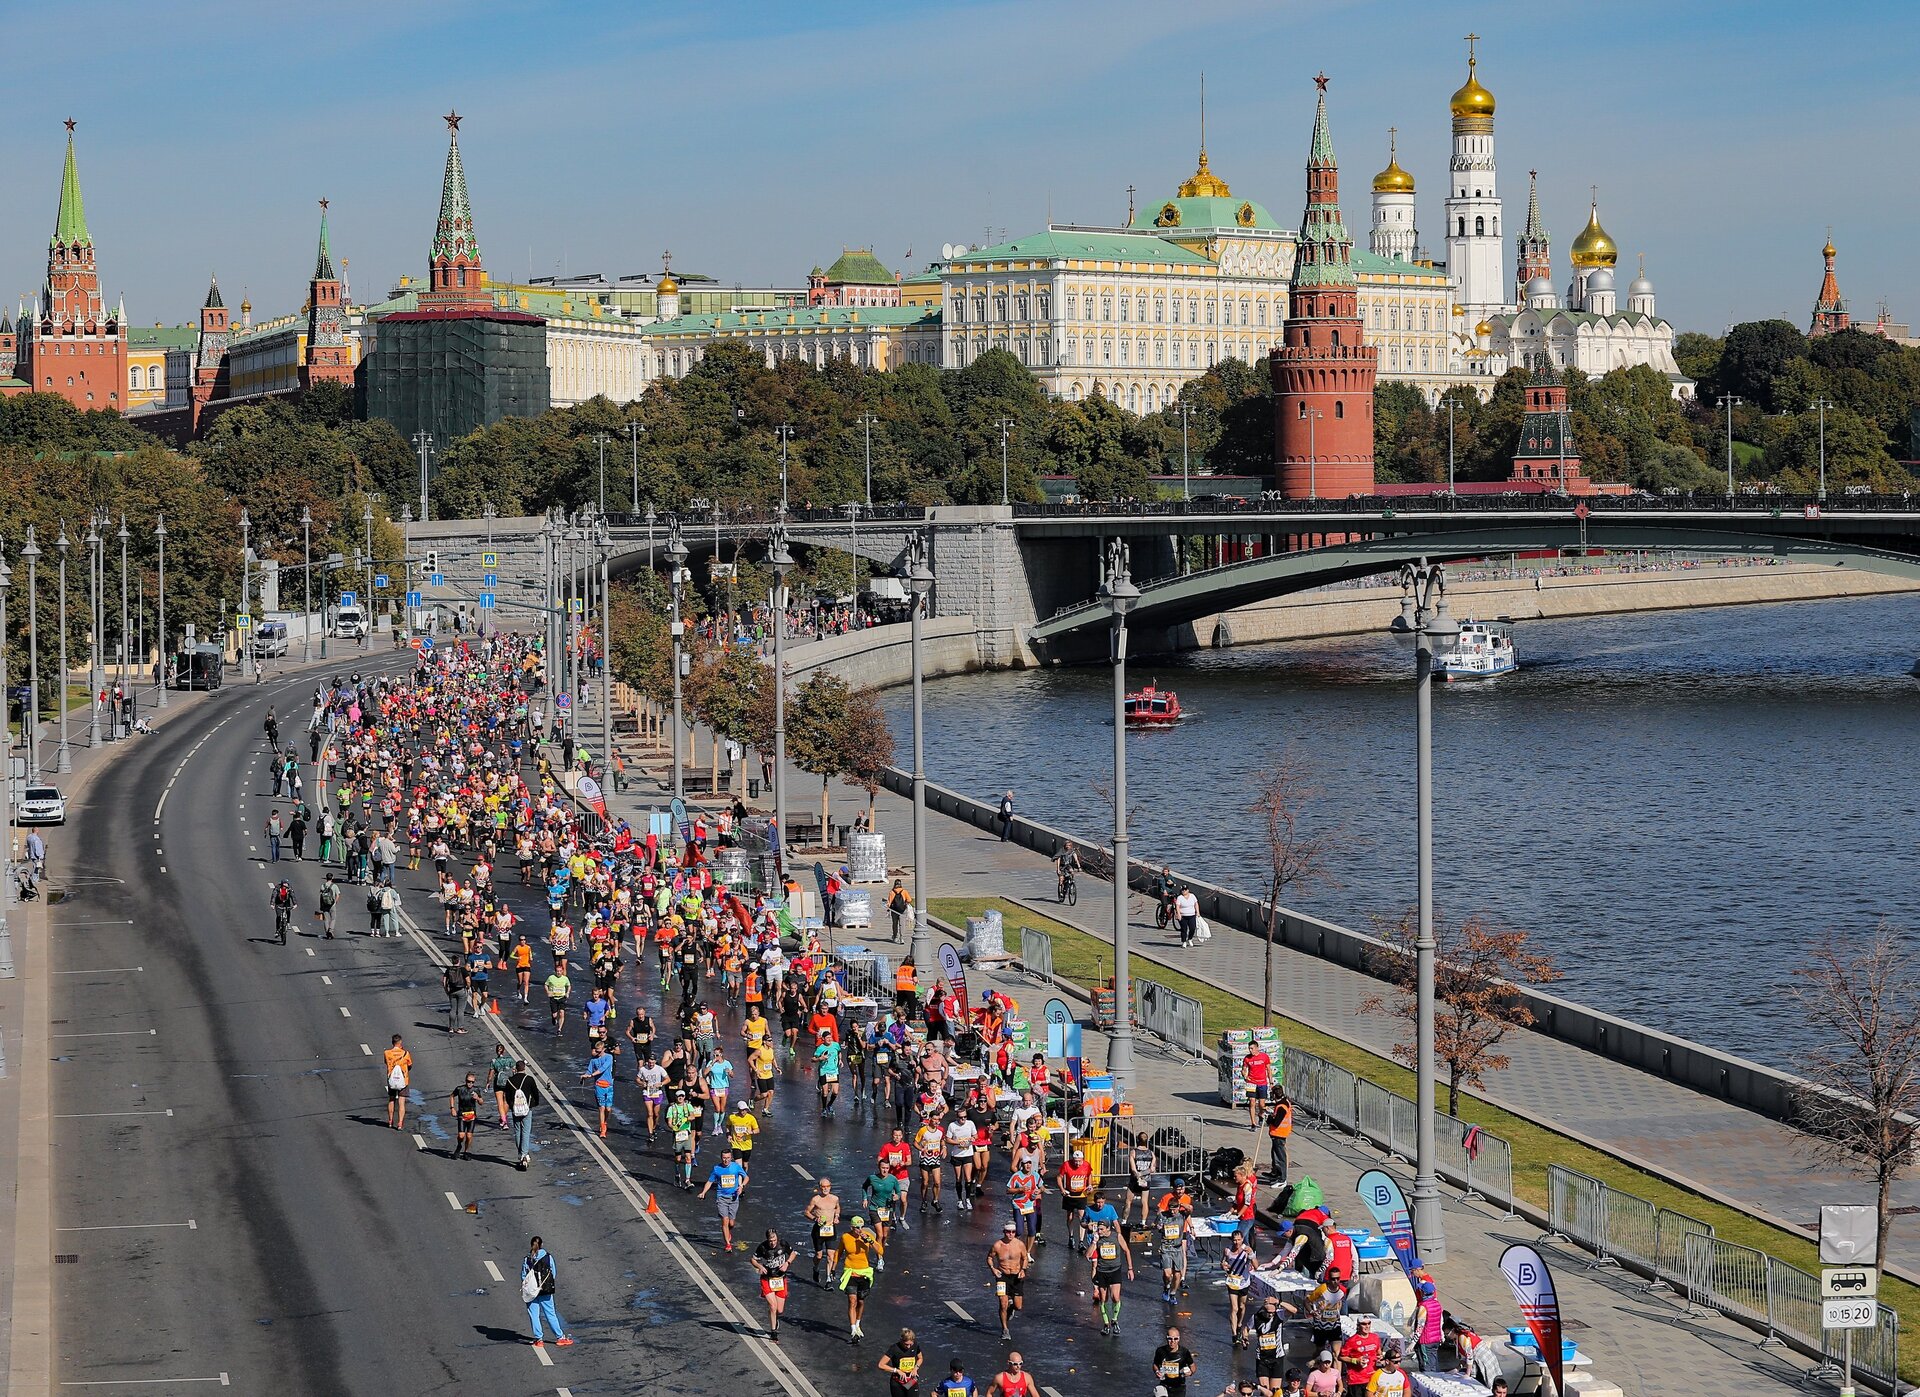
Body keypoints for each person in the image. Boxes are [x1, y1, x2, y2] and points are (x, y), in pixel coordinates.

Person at [520, 1236, 573, 1348]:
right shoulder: (548, 1257)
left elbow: (524, 1276)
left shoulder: (527, 1259)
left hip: (531, 1292)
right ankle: (560, 1337)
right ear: (542, 1245)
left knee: (534, 1315)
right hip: (545, 1290)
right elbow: (553, 1273)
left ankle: (538, 1339)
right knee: (550, 1314)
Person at [1084, 1219, 1133, 1336]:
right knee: (1103, 1299)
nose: (1099, 1231)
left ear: (1108, 1229)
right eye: (1098, 1229)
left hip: (1115, 1270)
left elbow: (1126, 1250)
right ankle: (1106, 1324)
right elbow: (1088, 1255)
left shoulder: (1117, 1236)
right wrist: (1094, 1242)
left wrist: (1130, 1269)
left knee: (1115, 1297)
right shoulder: (1097, 1239)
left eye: (1101, 1229)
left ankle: (1114, 1320)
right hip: (1102, 1271)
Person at [698, 1147, 751, 1251]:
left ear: (731, 1158)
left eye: (727, 1158)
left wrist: (741, 1186)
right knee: (725, 1220)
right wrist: (703, 1192)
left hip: (733, 1198)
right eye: (723, 1158)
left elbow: (746, 1177)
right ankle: (728, 1244)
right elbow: (709, 1182)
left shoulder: (736, 1167)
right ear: (721, 1158)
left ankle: (727, 1231)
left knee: (731, 1223)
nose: (725, 1160)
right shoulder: (717, 1169)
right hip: (721, 1198)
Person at [838, 1214, 881, 1340]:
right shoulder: (845, 1237)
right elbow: (838, 1252)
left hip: (864, 1273)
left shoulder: (867, 1236)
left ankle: (857, 1323)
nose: (860, 1229)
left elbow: (880, 1251)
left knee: (861, 1301)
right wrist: (832, 1268)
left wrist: (870, 1241)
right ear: (852, 1227)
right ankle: (853, 1330)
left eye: (862, 1227)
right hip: (851, 1272)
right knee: (852, 1301)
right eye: (857, 1227)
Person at [750, 1229, 798, 1340]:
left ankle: (775, 1318)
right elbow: (753, 1260)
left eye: (774, 1240)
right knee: (773, 1306)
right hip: (767, 1279)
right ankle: (773, 1332)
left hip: (780, 1279)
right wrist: (760, 1266)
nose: (773, 1243)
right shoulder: (762, 1247)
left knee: (779, 1310)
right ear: (767, 1240)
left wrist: (787, 1263)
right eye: (771, 1241)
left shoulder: (783, 1244)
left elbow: (793, 1253)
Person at [988, 1221, 1030, 1339]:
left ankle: (1011, 1309)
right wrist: (993, 1269)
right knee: (1003, 1303)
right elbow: (990, 1257)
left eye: (1013, 1232)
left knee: (1018, 1306)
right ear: (1004, 1232)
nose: (1010, 1234)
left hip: (1016, 1277)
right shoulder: (998, 1245)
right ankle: (1005, 1329)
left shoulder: (1020, 1245)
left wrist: (1023, 1270)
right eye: (1008, 1232)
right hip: (1002, 1277)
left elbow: (1025, 1258)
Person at [504, 1059, 542, 1170]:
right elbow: (535, 1093)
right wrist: (534, 1103)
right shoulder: (529, 1079)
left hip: (515, 1109)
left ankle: (520, 1153)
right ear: (524, 1068)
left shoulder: (510, 1080)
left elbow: (508, 1096)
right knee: (526, 1131)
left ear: (516, 1068)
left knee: (517, 1131)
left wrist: (512, 1106)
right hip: (527, 1108)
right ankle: (524, 1155)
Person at [1223, 1228, 1257, 1343]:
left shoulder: (1247, 1250)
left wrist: (1251, 1255)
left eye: (1238, 1240)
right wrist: (1224, 1265)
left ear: (1242, 1239)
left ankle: (1239, 1323)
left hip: (1244, 1283)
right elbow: (1223, 1262)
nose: (1236, 1242)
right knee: (1234, 1308)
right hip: (1232, 1282)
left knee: (1242, 1307)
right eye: (1234, 1240)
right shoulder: (1227, 1250)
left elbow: (1256, 1266)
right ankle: (1234, 1335)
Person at [1337, 1314, 1383, 1397]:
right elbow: (1340, 1357)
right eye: (1364, 1324)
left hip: (1373, 1377)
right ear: (1358, 1325)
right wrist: (1355, 1360)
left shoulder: (1375, 1337)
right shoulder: (1352, 1340)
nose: (1367, 1326)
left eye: (1369, 1323)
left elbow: (1379, 1353)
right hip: (1357, 1379)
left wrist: (1381, 1358)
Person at [1251, 1294, 1289, 1393]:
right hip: (1262, 1358)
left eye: (1273, 1312)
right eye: (1268, 1313)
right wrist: (1245, 1338)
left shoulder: (1279, 1315)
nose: (1271, 1315)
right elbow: (1246, 1328)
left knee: (1275, 1391)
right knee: (1265, 1391)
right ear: (1263, 1309)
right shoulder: (1255, 1317)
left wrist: (1279, 1302)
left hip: (1277, 1357)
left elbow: (1294, 1310)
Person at [1156, 1202, 1192, 1301]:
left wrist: (1181, 1204)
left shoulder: (1182, 1215)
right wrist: (1160, 1227)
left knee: (1177, 1275)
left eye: (1174, 1209)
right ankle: (1166, 1287)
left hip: (1177, 1248)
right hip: (1166, 1247)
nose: (1172, 1211)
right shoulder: (1163, 1215)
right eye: (1170, 1209)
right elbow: (1157, 1225)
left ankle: (1172, 1294)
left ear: (1178, 1208)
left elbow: (1190, 1209)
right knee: (1167, 1274)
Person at [666, 1090, 701, 1188]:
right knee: (678, 1158)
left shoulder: (688, 1106)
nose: (680, 1098)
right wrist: (673, 1127)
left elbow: (693, 1116)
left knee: (688, 1157)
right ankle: (677, 1174)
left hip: (687, 1134)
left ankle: (687, 1180)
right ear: (676, 1097)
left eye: (682, 1096)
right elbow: (669, 1121)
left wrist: (686, 1118)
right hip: (677, 1135)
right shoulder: (672, 1108)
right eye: (678, 1096)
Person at [581, 1042, 616, 1139]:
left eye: (599, 1051)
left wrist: (592, 1075)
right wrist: (585, 1076)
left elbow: (603, 1068)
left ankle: (605, 1122)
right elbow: (589, 1071)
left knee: (608, 1109)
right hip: (598, 1086)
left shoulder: (609, 1057)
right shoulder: (593, 1061)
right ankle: (603, 1129)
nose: (597, 1053)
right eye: (596, 1051)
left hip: (609, 1086)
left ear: (603, 1049)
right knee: (601, 1108)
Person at [1151, 1326, 1197, 1397]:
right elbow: (1155, 1365)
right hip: (1164, 1385)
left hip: (1179, 1387)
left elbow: (1193, 1366)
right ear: (1166, 1338)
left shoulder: (1184, 1352)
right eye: (1170, 1339)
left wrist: (1190, 1372)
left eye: (1175, 1339)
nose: (1173, 1341)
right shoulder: (1160, 1351)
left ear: (1179, 1339)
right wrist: (1157, 1371)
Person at [878, 1327, 923, 1394]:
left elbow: (920, 1358)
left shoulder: (915, 1345)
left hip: (911, 1380)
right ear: (901, 1340)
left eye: (911, 1344)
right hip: (897, 1382)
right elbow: (881, 1365)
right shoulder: (894, 1348)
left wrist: (915, 1368)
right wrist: (897, 1371)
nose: (908, 1347)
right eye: (906, 1344)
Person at [382, 1034, 412, 1130]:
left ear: (392, 1042)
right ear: (400, 1042)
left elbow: (386, 1063)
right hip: (403, 1081)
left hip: (391, 1080)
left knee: (391, 1099)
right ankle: (399, 1123)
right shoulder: (405, 1053)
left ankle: (390, 1121)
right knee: (401, 1102)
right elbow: (410, 1065)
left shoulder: (387, 1053)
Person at [449, 1072, 482, 1159]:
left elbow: (481, 1102)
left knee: (469, 1135)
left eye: (472, 1082)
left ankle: (466, 1152)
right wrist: (452, 1108)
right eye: (468, 1081)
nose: (470, 1083)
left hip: (472, 1115)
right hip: (462, 1114)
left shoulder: (476, 1090)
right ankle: (459, 1145)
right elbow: (452, 1096)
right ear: (465, 1081)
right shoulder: (460, 1089)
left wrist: (477, 1098)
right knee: (461, 1135)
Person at [1265, 1092, 1294, 1184]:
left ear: (1274, 1095)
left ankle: (1282, 1179)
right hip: (1277, 1134)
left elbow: (1276, 1122)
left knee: (1280, 1157)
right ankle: (1275, 1173)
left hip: (1279, 1134)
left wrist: (1269, 1119)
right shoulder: (1283, 1102)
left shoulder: (1282, 1107)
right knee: (1275, 1154)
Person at [1243, 1042, 1272, 1128]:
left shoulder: (1264, 1057)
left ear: (1257, 1048)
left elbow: (1269, 1069)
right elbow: (1244, 1069)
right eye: (1249, 1049)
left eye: (1252, 1048)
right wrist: (1245, 1076)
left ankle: (1260, 1114)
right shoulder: (1247, 1058)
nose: (1250, 1050)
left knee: (1262, 1104)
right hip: (1251, 1083)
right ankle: (1253, 1123)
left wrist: (1271, 1082)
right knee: (1252, 1102)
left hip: (1262, 1083)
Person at [443, 955, 470, 1034]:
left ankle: (451, 1028)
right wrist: (468, 987)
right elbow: (468, 981)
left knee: (453, 1009)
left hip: (452, 991)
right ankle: (460, 1028)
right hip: (461, 990)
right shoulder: (462, 970)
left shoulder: (448, 970)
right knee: (460, 1010)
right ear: (459, 961)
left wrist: (446, 990)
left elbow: (444, 981)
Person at [886, 879, 912, 943]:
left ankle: (895, 937)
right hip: (902, 910)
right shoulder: (904, 891)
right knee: (902, 924)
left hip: (894, 910)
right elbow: (909, 900)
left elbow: (889, 903)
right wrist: (905, 903)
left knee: (895, 924)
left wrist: (888, 909)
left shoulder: (892, 892)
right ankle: (901, 938)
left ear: (894, 884)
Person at [270, 880, 296, 944]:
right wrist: (272, 904)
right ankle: (277, 930)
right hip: (278, 904)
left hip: (286, 903)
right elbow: (274, 896)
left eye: (286, 885)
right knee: (278, 916)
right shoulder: (277, 888)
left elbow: (293, 896)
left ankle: (288, 923)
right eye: (284, 885)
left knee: (288, 911)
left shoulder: (289, 889)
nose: (285, 886)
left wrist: (295, 904)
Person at [317, 873, 339, 939]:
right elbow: (337, 895)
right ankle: (330, 930)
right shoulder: (334, 886)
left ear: (326, 878)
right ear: (332, 878)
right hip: (332, 904)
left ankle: (327, 932)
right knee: (333, 918)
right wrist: (335, 902)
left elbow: (321, 895)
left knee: (326, 919)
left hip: (324, 905)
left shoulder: (323, 886)